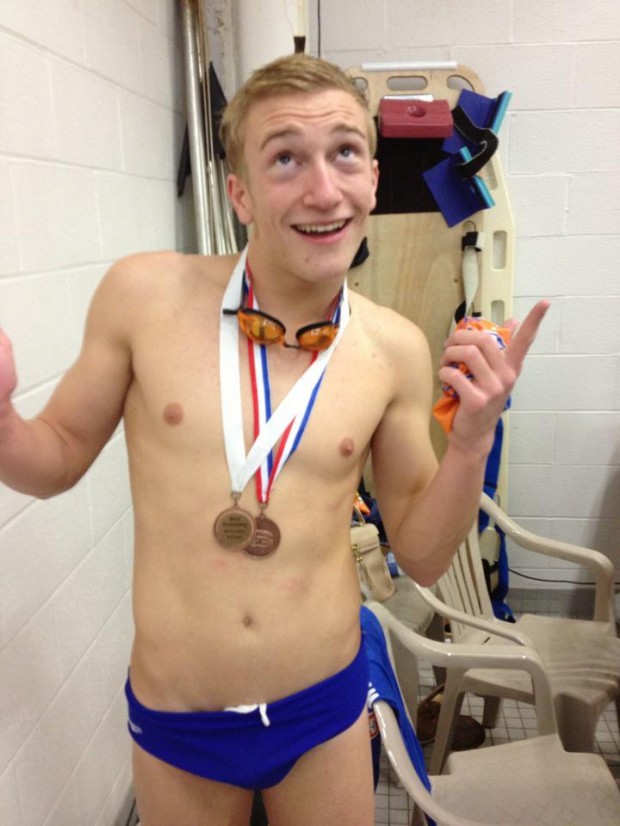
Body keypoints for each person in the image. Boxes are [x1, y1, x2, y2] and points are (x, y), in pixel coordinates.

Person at [0, 53, 548, 825]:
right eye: (285, 157)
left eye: (344, 154)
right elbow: (54, 456)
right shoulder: (143, 297)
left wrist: (470, 445)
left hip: (321, 709)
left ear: (372, 178)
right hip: (180, 719)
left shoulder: (390, 348)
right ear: (240, 193)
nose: (323, 190)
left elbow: (422, 552)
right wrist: (2, 424)